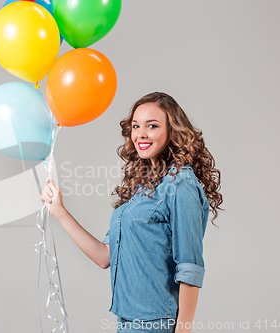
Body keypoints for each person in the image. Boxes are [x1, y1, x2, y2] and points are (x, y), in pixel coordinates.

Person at [40, 92, 223, 332]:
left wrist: (183, 331)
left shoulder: (181, 184)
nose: (141, 134)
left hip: (157, 325)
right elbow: (104, 256)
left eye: (152, 126)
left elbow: (190, 269)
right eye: (136, 126)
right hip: (126, 323)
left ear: (172, 131)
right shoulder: (142, 188)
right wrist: (60, 212)